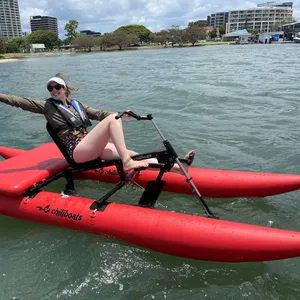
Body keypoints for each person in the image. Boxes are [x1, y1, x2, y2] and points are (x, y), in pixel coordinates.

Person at [0, 73, 194, 173]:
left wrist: (122, 114)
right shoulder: (46, 107)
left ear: (65, 88)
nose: (53, 90)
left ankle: (179, 168)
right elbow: (19, 102)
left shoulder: (78, 105)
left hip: (91, 147)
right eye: (50, 88)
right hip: (77, 152)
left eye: (57, 87)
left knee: (132, 152)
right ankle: (127, 163)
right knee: (112, 122)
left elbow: (99, 113)